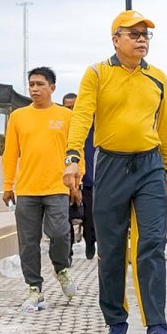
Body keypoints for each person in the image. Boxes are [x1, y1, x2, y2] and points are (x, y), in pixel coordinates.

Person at [63, 10, 167, 334]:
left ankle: (157, 326)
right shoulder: (97, 74)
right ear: (115, 39)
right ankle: (116, 322)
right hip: (110, 165)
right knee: (112, 248)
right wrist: (73, 157)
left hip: (149, 166)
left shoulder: (158, 78)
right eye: (133, 34)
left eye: (145, 34)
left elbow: (165, 127)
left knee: (152, 244)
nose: (142, 39)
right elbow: (83, 116)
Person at [2, 67, 81, 312]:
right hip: (26, 189)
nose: (35, 89)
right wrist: (8, 186)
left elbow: (74, 152)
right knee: (28, 241)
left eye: (40, 84)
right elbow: (10, 153)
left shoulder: (66, 116)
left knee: (59, 233)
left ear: (52, 88)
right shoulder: (18, 116)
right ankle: (34, 289)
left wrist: (76, 183)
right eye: (32, 84)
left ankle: (61, 268)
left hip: (57, 186)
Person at [61, 92, 97, 260]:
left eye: (75, 107)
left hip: (88, 180)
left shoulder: (91, 128)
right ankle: (66, 252)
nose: (72, 111)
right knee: (63, 219)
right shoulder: (60, 128)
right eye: (68, 108)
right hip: (63, 181)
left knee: (90, 217)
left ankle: (90, 243)